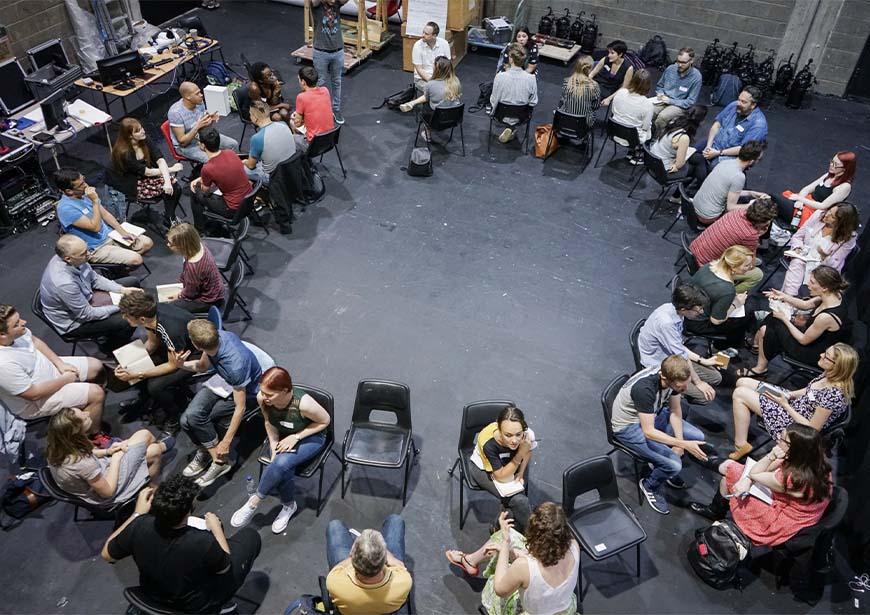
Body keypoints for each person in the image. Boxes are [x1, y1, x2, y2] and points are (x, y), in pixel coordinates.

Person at [102, 476, 262, 614]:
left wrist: (137, 515)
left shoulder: (139, 525)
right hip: (195, 607)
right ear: (187, 513)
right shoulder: (202, 542)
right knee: (250, 537)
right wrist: (216, 530)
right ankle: (218, 607)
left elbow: (106, 554)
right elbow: (226, 568)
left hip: (152, 595)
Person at [689, 423, 832, 547]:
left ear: (795, 448)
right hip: (791, 506)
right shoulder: (814, 462)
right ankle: (700, 457)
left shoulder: (794, 478)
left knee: (731, 472)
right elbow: (768, 469)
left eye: (782, 440)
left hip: (778, 521)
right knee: (732, 474)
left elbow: (756, 473)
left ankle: (697, 455)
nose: (777, 442)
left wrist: (771, 455)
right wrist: (748, 480)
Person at [230, 367, 330, 533]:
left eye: (269, 394)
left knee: (281, 462)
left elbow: (325, 421)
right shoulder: (262, 399)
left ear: (285, 391)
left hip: (311, 436)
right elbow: (269, 422)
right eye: (263, 392)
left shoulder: (304, 404)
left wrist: (296, 437)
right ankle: (289, 505)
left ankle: (255, 500)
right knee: (283, 466)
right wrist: (274, 443)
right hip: (283, 434)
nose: (264, 397)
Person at [610, 355, 708, 515]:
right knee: (674, 465)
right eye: (681, 388)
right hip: (628, 427)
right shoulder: (645, 389)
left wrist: (680, 442)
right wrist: (683, 445)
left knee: (696, 437)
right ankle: (649, 485)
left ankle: (661, 463)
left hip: (651, 413)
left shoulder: (673, 376)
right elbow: (649, 432)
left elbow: (675, 411)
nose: (684, 391)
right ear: (665, 377)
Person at [729, 342, 856, 460]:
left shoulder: (833, 395)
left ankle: (741, 445)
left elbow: (812, 428)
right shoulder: (829, 374)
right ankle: (750, 411)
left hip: (793, 423)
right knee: (742, 382)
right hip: (793, 405)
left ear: (837, 366)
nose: (821, 355)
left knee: (740, 394)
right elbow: (809, 390)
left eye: (826, 356)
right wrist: (789, 395)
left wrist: (785, 405)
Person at [446, 505, 580, 615]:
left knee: (494, 580)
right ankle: (470, 560)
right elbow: (542, 563)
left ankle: (470, 560)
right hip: (563, 608)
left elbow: (500, 589)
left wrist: (505, 544)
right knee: (511, 538)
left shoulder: (523, 567)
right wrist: (511, 550)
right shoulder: (574, 546)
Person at [179, 319, 263, 487]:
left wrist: (226, 442)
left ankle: (220, 462)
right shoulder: (216, 339)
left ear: (195, 345)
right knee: (185, 420)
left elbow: (241, 407)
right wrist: (180, 364)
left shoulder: (235, 367)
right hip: (224, 381)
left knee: (200, 419)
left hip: (245, 391)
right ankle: (207, 450)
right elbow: (203, 366)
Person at [0, 304, 106, 436]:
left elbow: (35, 342)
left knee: (96, 365)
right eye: (16, 324)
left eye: (19, 319)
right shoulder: (3, 364)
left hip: (51, 370)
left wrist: (60, 364)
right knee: (97, 393)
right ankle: (93, 435)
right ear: (2, 335)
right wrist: (65, 379)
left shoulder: (17, 332)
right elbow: (33, 394)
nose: (24, 323)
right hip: (37, 401)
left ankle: (85, 405)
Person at [740, 266, 852, 379]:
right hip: (810, 337)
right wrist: (783, 296)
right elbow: (805, 305)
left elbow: (803, 340)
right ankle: (757, 347)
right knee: (772, 320)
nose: (808, 284)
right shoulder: (833, 294)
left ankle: (760, 367)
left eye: (812, 282)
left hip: (811, 352)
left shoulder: (826, 317)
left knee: (770, 327)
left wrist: (784, 318)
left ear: (824, 288)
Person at [46, 408, 173, 504]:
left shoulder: (58, 446)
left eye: (83, 412)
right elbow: (108, 492)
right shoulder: (81, 463)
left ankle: (152, 481)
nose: (88, 413)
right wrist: (116, 460)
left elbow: (91, 453)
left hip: (98, 471)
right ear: (76, 431)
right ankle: (153, 486)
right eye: (84, 417)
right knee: (147, 439)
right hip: (106, 488)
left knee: (150, 450)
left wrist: (107, 452)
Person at [39, 235, 141, 350]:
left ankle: (113, 331)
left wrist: (122, 290)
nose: (89, 254)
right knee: (129, 319)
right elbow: (86, 314)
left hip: (86, 297)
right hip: (74, 322)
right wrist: (121, 305)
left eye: (86, 250)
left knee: (132, 283)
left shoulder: (76, 258)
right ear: (68, 259)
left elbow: (94, 278)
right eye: (83, 253)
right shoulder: (64, 283)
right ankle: (111, 348)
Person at [115, 292, 198, 428]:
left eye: (127, 316)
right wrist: (131, 361)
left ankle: (174, 416)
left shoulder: (171, 330)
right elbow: (152, 343)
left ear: (141, 319)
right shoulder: (151, 315)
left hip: (193, 356)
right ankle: (145, 400)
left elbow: (173, 365)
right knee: (132, 364)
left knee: (156, 386)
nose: (124, 317)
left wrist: (138, 374)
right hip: (174, 349)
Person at [637, 285, 722, 405]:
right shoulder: (666, 323)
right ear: (683, 308)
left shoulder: (676, 313)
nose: (701, 312)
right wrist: (698, 382)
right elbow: (681, 355)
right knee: (704, 397)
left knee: (716, 377)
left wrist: (703, 361)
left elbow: (679, 347)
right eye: (698, 310)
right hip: (659, 364)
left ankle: (678, 391)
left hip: (673, 356)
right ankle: (674, 394)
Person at [54, 168, 154, 268]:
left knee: (147, 243)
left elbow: (105, 215)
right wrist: (95, 201)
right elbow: (95, 227)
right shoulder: (66, 209)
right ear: (69, 191)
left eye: (84, 180)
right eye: (80, 185)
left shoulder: (84, 195)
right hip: (96, 248)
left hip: (110, 235)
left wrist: (123, 232)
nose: (86, 185)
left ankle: (119, 265)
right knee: (136, 259)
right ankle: (118, 271)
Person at [325, 515, 412, 615]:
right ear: (385, 560)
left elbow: (337, 568)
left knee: (334, 526)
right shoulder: (404, 581)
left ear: (351, 555)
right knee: (396, 520)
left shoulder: (334, 582)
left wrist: (358, 557)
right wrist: (383, 553)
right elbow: (399, 564)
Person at [108, 117, 184, 230]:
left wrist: (167, 181)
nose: (143, 131)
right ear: (130, 135)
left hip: (146, 174)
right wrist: (171, 169)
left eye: (141, 127)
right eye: (138, 130)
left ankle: (169, 216)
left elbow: (160, 159)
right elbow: (147, 172)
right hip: (132, 182)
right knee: (168, 189)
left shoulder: (144, 139)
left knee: (174, 187)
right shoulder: (124, 153)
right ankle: (170, 218)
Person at [689, 196, 778, 291]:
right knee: (757, 274)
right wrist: (759, 234)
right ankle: (729, 294)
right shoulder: (750, 234)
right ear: (763, 221)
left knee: (754, 260)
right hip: (705, 267)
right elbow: (751, 262)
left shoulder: (738, 212)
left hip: (693, 251)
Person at [468, 405, 533, 532]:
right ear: (499, 429)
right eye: (508, 435)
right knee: (519, 500)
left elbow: (528, 450)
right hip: (484, 469)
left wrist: (521, 472)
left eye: (518, 435)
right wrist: (519, 454)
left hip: (511, 463)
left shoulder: (526, 433)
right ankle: (534, 535)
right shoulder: (488, 442)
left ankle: (499, 528)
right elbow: (500, 476)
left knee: (514, 502)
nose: (514, 440)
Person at [684, 245, 755, 348]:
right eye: (746, 265)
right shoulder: (726, 289)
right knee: (746, 313)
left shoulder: (708, 266)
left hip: (689, 308)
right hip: (697, 322)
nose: (750, 268)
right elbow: (716, 320)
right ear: (733, 267)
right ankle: (727, 345)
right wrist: (736, 304)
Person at [780, 204, 859, 295]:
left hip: (823, 267)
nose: (826, 215)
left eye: (832, 216)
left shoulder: (849, 237)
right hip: (803, 256)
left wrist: (825, 257)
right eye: (829, 210)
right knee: (797, 263)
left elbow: (835, 265)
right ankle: (788, 298)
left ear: (841, 223)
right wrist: (798, 247)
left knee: (812, 277)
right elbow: (797, 237)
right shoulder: (818, 216)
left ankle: (793, 301)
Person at [189, 128, 255, 234]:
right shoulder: (230, 153)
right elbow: (224, 170)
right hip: (249, 198)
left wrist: (197, 184)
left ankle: (199, 228)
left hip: (233, 210)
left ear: (202, 145)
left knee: (195, 193)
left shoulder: (207, 168)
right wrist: (202, 178)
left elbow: (205, 191)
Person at [692, 140, 768, 224]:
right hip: (707, 216)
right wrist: (752, 205)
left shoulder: (725, 162)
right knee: (747, 214)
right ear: (751, 161)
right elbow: (730, 207)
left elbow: (726, 190)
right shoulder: (739, 177)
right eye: (759, 160)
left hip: (694, 207)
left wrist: (751, 193)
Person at [770, 151, 856, 225]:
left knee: (774, 199)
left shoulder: (844, 187)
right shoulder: (828, 175)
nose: (831, 165)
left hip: (813, 212)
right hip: (805, 202)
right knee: (774, 203)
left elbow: (823, 206)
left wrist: (801, 200)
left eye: (835, 165)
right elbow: (807, 189)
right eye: (831, 162)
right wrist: (800, 200)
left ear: (845, 169)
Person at [167, 81, 239, 164]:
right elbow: (183, 143)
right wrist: (197, 126)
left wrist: (209, 120)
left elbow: (204, 127)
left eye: (200, 92)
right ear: (188, 97)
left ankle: (233, 168)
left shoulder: (199, 103)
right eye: (197, 94)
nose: (201, 95)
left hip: (203, 137)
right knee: (215, 162)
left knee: (233, 145)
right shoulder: (175, 113)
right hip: (188, 146)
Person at [164, 222, 227, 313]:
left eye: (170, 243)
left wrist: (178, 295)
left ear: (182, 245)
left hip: (209, 300)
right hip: (215, 288)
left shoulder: (194, 266)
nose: (168, 245)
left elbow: (190, 294)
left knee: (171, 308)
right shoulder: (198, 246)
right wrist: (181, 282)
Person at [701, 86, 768, 166]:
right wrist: (708, 146)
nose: (738, 103)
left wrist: (718, 153)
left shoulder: (759, 125)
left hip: (730, 156)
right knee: (693, 154)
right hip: (715, 145)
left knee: (713, 166)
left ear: (753, 105)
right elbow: (717, 124)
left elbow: (743, 149)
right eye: (739, 99)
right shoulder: (734, 105)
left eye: (743, 102)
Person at [399, 55, 462, 140]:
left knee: (426, 103)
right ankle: (412, 103)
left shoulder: (431, 84)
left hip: (436, 121)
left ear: (437, 70)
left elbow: (427, 97)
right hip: (454, 119)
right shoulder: (456, 81)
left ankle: (427, 134)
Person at [649, 104, 708, 190]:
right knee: (695, 167)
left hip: (652, 159)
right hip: (662, 169)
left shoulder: (674, 122)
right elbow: (679, 164)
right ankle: (680, 195)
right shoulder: (683, 138)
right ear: (701, 121)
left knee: (699, 158)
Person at [311, 0, 351, 124]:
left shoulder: (337, 5)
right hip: (321, 51)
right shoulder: (317, 5)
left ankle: (336, 109)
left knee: (337, 82)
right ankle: (318, 110)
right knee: (320, 82)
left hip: (337, 50)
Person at [490, 44, 538, 144]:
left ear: (511, 59)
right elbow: (533, 102)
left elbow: (494, 99)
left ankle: (510, 127)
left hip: (500, 115)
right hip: (521, 117)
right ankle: (512, 128)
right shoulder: (531, 79)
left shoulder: (500, 77)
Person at [652, 47, 702, 134]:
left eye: (683, 62)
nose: (679, 65)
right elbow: (660, 85)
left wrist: (670, 101)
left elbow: (690, 101)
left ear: (691, 61)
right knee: (648, 110)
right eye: (678, 61)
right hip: (663, 99)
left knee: (663, 117)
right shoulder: (670, 69)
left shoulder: (696, 77)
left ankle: (656, 139)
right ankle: (646, 135)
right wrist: (660, 93)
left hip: (679, 105)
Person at [608, 68, 654, 164]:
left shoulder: (620, 92)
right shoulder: (648, 104)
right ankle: (638, 154)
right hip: (633, 139)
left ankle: (632, 150)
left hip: (614, 133)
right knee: (652, 128)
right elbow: (645, 127)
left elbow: (613, 111)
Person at [246, 100, 295, 177]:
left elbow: (251, 166)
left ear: (255, 118)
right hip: (292, 168)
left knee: (244, 169)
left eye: (250, 114)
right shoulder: (283, 124)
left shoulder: (257, 138)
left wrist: (244, 161)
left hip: (274, 177)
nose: (250, 117)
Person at [292, 65, 336, 153]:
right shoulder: (325, 90)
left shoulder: (301, 97)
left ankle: (304, 163)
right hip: (330, 140)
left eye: (299, 79)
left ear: (303, 82)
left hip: (313, 146)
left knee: (290, 136)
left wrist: (296, 117)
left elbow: (297, 124)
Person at [557, 55, 600, 128]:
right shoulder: (594, 86)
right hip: (583, 125)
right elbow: (595, 106)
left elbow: (563, 99)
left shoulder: (567, 82)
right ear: (589, 69)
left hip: (564, 120)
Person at [589, 40, 634, 104]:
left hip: (608, 91)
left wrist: (609, 99)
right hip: (595, 84)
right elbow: (592, 74)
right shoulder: (605, 59)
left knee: (587, 97)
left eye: (612, 53)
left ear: (620, 54)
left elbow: (623, 88)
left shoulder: (628, 68)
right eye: (609, 52)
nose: (609, 55)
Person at [412, 21, 451, 93]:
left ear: (434, 35)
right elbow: (419, 69)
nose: (422, 35)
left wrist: (445, 80)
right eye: (423, 32)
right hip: (422, 79)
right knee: (435, 91)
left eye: (426, 34)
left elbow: (447, 65)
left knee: (454, 88)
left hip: (440, 77)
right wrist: (434, 83)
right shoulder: (417, 46)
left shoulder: (444, 44)